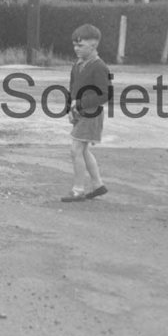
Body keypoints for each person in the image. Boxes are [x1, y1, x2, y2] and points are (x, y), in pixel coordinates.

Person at [61, 23, 110, 202]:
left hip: (91, 113)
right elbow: (72, 88)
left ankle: (78, 190)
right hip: (80, 112)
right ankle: (98, 185)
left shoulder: (99, 66)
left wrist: (80, 104)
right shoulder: (77, 64)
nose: (76, 49)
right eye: (74, 45)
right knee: (82, 150)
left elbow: (105, 94)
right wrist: (70, 108)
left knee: (76, 150)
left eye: (80, 46)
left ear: (93, 45)